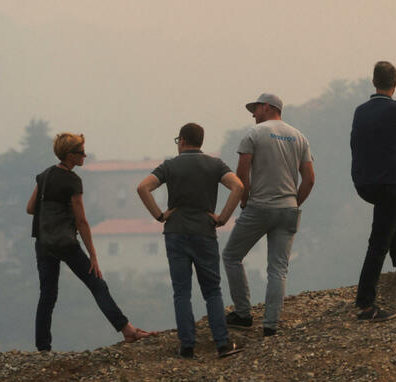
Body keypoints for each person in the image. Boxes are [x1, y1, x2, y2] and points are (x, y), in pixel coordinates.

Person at [26, 132, 153, 351]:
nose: (85, 155)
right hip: (66, 243)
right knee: (96, 284)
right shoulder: (72, 180)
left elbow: (30, 208)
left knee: (47, 294)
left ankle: (43, 348)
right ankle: (127, 330)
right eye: (81, 152)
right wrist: (93, 255)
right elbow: (82, 221)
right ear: (70, 155)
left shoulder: (44, 175)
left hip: (44, 242)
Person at [136, 123, 245, 359]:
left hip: (175, 232)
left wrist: (159, 215)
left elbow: (143, 187)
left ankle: (187, 347)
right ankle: (222, 345)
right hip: (205, 232)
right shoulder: (215, 164)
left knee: (181, 292)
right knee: (212, 291)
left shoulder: (170, 165)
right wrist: (223, 218)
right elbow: (238, 186)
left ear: (183, 140)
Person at [222, 93, 314, 337]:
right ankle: (270, 325)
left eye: (256, 109)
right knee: (278, 268)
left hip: (260, 206)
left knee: (232, 255)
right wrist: (293, 201)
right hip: (288, 209)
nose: (253, 114)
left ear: (267, 107)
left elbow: (242, 174)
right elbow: (309, 178)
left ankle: (242, 314)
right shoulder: (299, 136)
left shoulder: (254, 134)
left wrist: (244, 201)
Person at [350, 61, 396, 321]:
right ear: (395, 83)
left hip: (363, 182)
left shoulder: (359, 111)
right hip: (390, 180)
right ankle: (366, 304)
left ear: (373, 82)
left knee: (392, 214)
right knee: (378, 241)